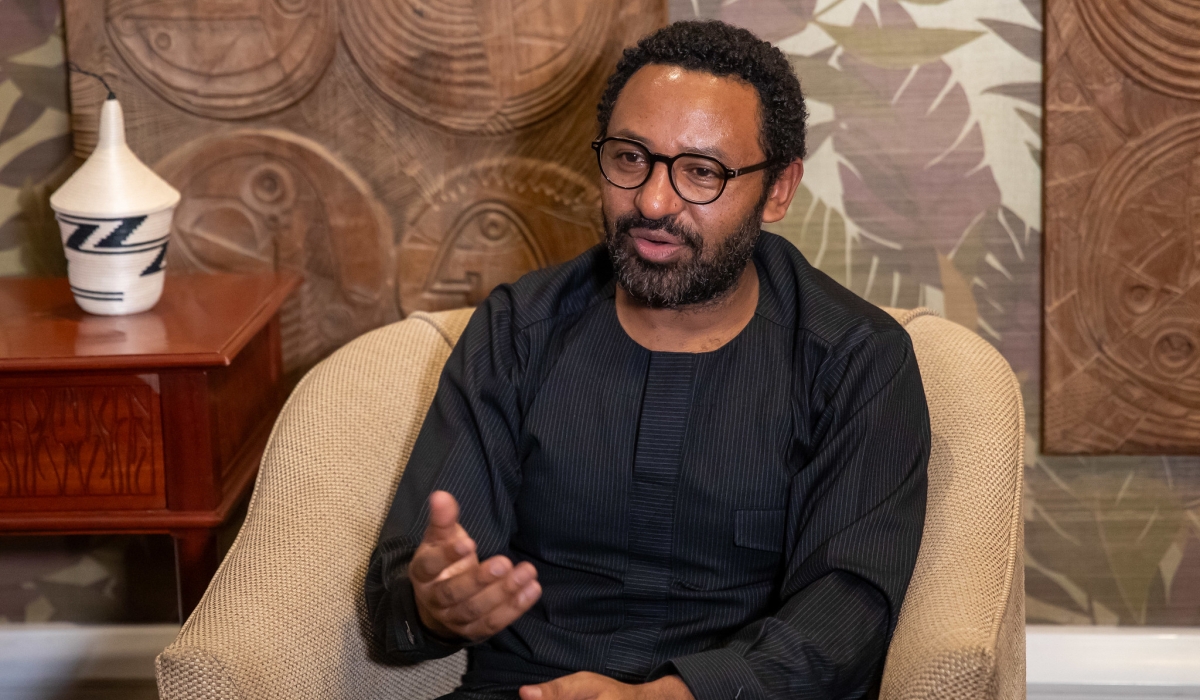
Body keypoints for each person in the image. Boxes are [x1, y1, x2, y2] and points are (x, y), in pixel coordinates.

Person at [366, 20, 930, 700]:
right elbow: (409, 585)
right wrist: (436, 605)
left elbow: (846, 613)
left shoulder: (855, 360)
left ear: (778, 190)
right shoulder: (519, 331)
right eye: (631, 158)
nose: (654, 202)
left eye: (702, 172)